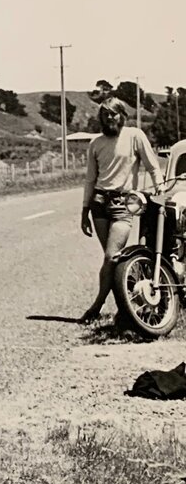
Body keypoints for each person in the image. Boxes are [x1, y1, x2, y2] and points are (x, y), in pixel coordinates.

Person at [79, 98, 162, 323]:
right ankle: (124, 312)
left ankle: (96, 307)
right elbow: (90, 179)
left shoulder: (135, 136)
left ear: (122, 115)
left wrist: (160, 191)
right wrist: (84, 210)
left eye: (114, 114)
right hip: (99, 203)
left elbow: (153, 167)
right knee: (112, 261)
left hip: (123, 205)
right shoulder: (95, 144)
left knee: (112, 256)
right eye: (105, 115)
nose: (110, 118)